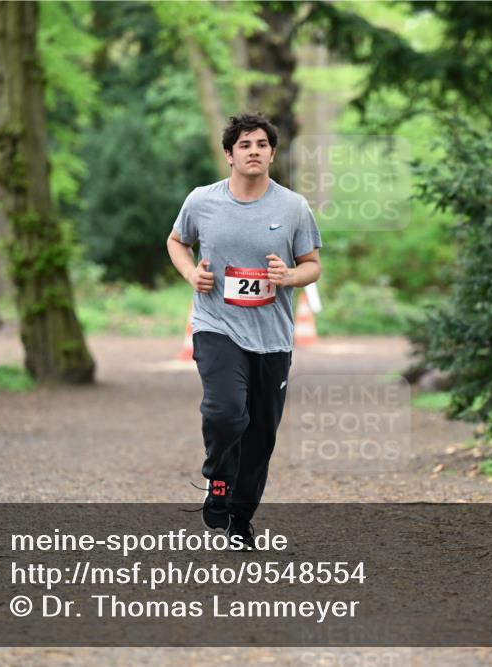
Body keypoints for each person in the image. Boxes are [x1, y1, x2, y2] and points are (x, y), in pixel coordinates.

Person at [166, 113, 322, 549]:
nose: (253, 151)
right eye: (244, 144)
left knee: (261, 435)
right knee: (225, 412)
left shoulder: (293, 207)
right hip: (217, 326)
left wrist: (290, 277)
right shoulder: (202, 201)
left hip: (272, 337)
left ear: (272, 153)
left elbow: (312, 265)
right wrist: (189, 274)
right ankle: (218, 478)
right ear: (230, 155)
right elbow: (176, 241)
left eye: (261, 144)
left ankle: (240, 517)